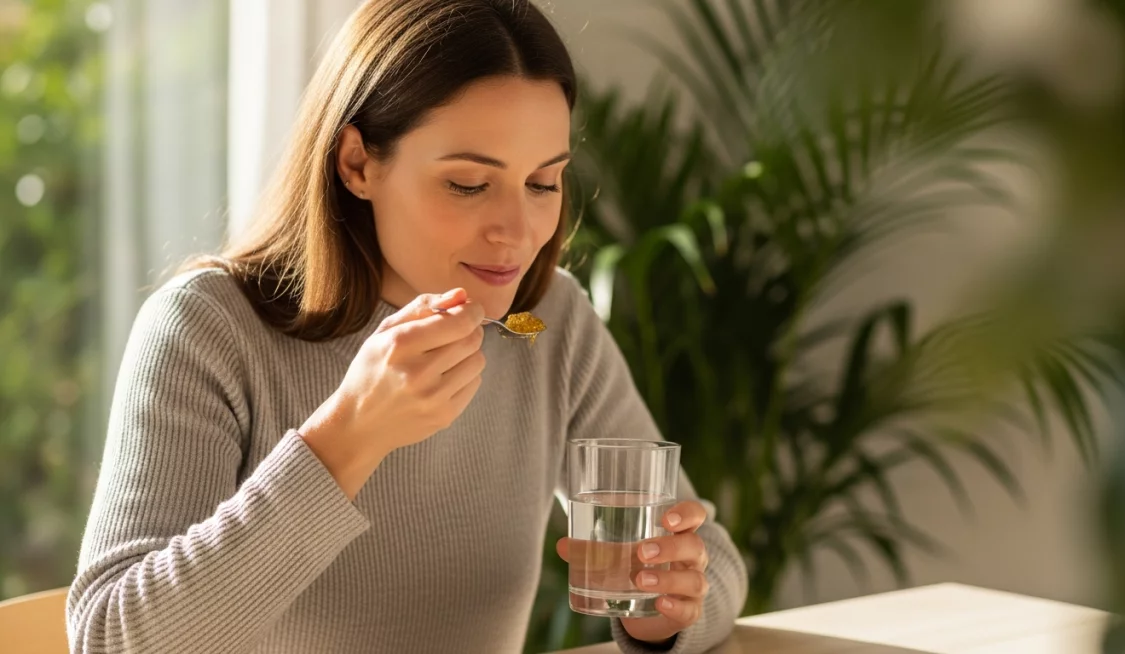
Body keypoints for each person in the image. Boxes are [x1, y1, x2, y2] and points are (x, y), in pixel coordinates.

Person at [67, 1, 747, 652]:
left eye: (543, 183)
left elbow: (710, 559)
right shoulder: (211, 329)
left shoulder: (539, 325)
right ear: (357, 163)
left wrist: (666, 606)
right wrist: (348, 437)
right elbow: (109, 639)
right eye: (468, 184)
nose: (519, 232)